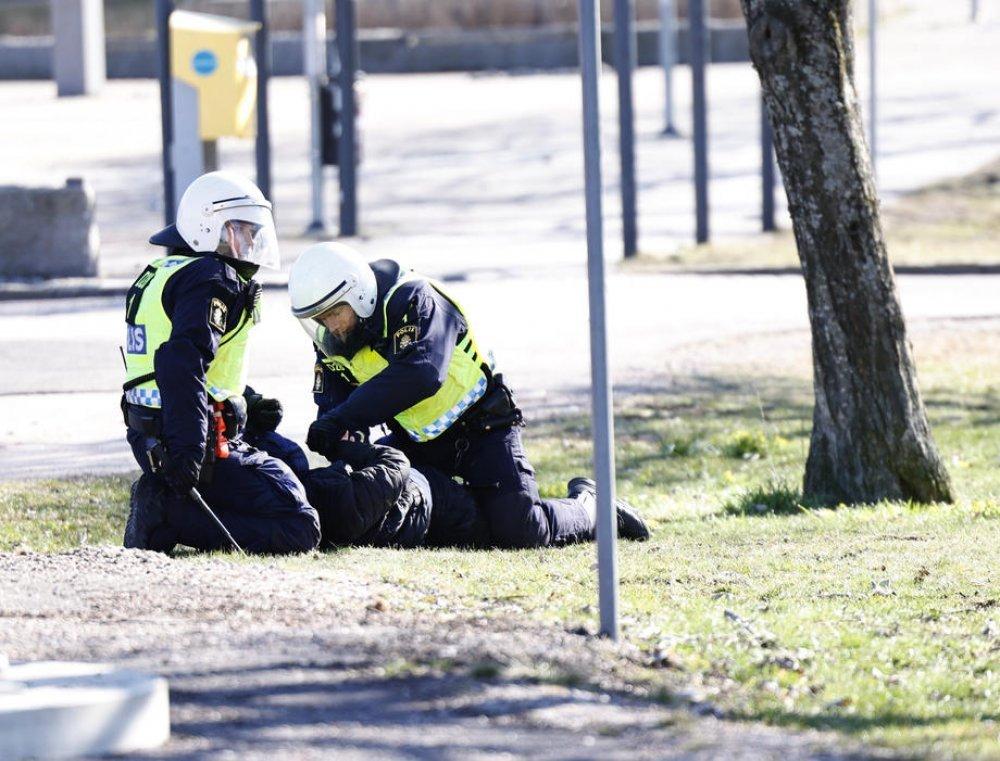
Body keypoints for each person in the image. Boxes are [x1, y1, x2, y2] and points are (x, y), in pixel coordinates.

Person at [286, 242, 650, 549]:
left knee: (521, 531)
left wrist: (344, 420)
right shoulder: (334, 342)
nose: (330, 326)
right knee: (452, 524)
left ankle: (593, 506)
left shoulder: (414, 298)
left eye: (335, 313)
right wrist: (341, 438)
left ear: (358, 294)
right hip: (419, 441)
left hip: (484, 428)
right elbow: (333, 408)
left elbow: (421, 373)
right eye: (320, 319)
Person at [120, 171, 320, 555]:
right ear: (213, 228)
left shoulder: (167, 273)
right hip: (194, 444)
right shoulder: (213, 279)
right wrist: (189, 454)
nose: (252, 242)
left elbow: (183, 363)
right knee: (300, 526)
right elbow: (181, 363)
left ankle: (165, 507)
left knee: (291, 460)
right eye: (243, 231)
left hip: (158, 436)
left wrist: (245, 401)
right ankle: (168, 513)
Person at [250, 431, 488, 549]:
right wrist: (344, 447)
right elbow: (396, 462)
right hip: (428, 496)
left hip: (408, 509)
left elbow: (292, 459)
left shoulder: (300, 512)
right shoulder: (345, 499)